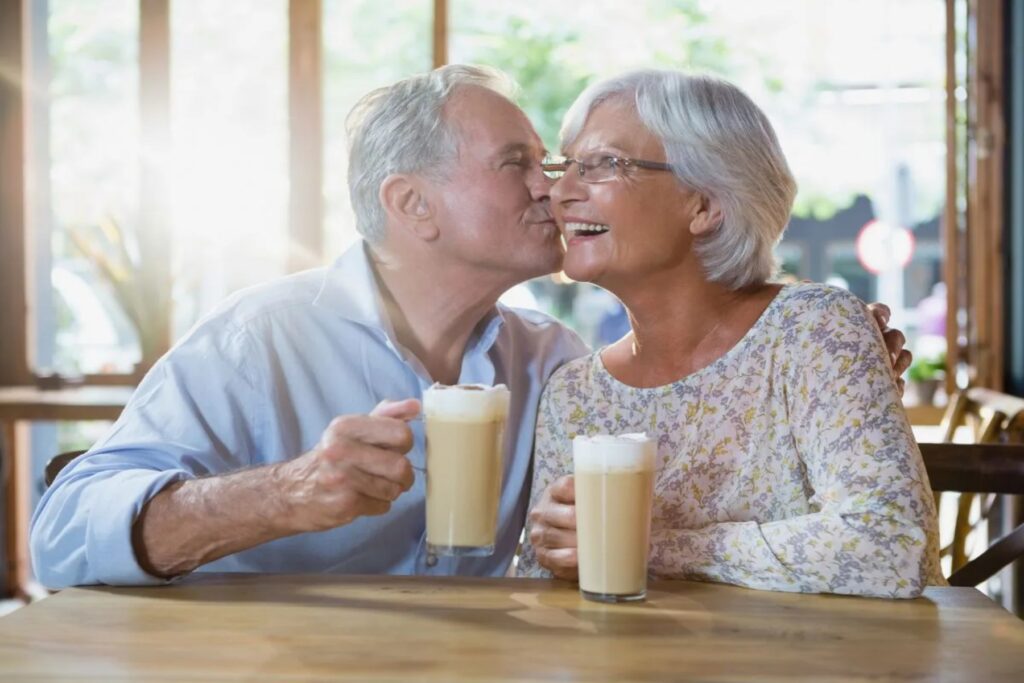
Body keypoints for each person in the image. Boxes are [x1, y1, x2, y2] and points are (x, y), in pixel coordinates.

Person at [30, 65, 911, 588]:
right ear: (414, 205)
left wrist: (816, 350)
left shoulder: (553, 364)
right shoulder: (257, 342)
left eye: (569, 164)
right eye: (519, 163)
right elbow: (62, 532)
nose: (552, 187)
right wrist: (282, 493)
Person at [518, 69, 941, 598]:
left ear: (704, 206)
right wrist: (549, 552)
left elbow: (892, 546)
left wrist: (646, 546)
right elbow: (547, 593)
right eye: (568, 166)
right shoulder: (575, 394)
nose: (561, 194)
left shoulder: (813, 330)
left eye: (604, 165)